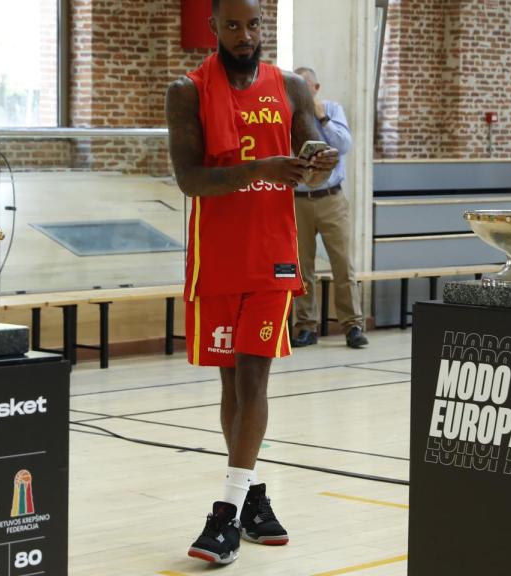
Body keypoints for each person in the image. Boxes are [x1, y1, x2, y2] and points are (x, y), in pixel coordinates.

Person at [164, 0, 339, 565]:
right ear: (213, 27)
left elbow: (314, 146)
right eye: (233, 25)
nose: (245, 35)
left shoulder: (288, 86)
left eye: (254, 24)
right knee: (229, 387)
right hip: (216, 259)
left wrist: (317, 159)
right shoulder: (187, 90)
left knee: (254, 380)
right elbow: (190, 180)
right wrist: (261, 169)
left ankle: (224, 515)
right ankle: (253, 499)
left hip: (273, 259)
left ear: (266, 26)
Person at [290, 67, 369, 350]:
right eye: (294, 87)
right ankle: (306, 326)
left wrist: (320, 116)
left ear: (316, 88)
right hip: (298, 201)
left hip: (331, 199)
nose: (299, 93)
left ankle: (352, 326)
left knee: (342, 263)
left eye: (304, 87)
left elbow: (344, 145)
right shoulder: (286, 116)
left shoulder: (332, 110)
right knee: (302, 267)